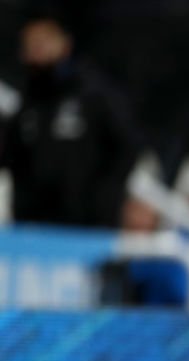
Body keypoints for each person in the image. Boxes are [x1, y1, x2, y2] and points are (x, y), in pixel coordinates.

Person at [0, 11, 142, 227]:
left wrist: (104, 200)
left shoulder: (94, 94)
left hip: (88, 227)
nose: (37, 50)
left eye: (44, 42)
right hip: (33, 226)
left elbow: (126, 147)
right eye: (31, 44)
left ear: (65, 44)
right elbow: (11, 156)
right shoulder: (25, 102)